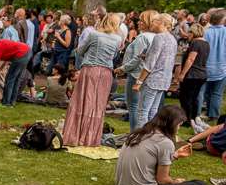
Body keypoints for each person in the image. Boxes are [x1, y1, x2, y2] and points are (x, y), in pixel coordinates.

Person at [115, 105, 207, 185]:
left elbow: (149, 159)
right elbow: (162, 180)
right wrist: (175, 182)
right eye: (179, 125)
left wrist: (174, 155)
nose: (179, 128)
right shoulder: (165, 142)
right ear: (173, 124)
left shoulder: (138, 133)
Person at [63, 13, 123, 146]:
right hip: (106, 73)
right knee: (97, 105)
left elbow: (80, 51)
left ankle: (76, 135)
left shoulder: (93, 34)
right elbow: (113, 57)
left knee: (83, 101)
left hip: (91, 69)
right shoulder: (118, 39)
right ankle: (90, 138)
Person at [115, 10, 158, 131]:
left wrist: (122, 69)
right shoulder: (157, 37)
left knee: (134, 107)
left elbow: (137, 59)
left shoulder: (143, 37)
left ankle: (134, 133)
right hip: (148, 75)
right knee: (146, 108)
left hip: (136, 74)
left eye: (141, 20)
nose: (139, 22)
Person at [133, 14, 177, 128]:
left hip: (153, 79)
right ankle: (151, 136)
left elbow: (150, 63)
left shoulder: (159, 37)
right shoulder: (172, 39)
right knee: (153, 111)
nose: (151, 23)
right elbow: (166, 59)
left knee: (142, 112)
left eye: (154, 21)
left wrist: (139, 82)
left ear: (161, 23)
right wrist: (146, 56)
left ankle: (141, 139)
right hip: (164, 80)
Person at [176, 23, 210, 130]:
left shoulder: (195, 43)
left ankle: (188, 120)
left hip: (192, 75)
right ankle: (195, 118)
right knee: (194, 98)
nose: (188, 35)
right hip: (202, 74)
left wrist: (182, 74)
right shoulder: (206, 43)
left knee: (186, 98)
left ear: (193, 32)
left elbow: (191, 59)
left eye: (189, 32)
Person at [0, 38, 31, 107]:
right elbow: (6, 59)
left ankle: (6, 103)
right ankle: (12, 102)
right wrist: (0, 70)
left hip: (21, 54)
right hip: (27, 50)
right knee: (17, 80)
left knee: (9, 79)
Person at [203, 9, 226, 120]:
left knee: (207, 92)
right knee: (217, 93)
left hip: (207, 66)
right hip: (222, 67)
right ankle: (213, 114)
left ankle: (208, 111)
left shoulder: (205, 32)